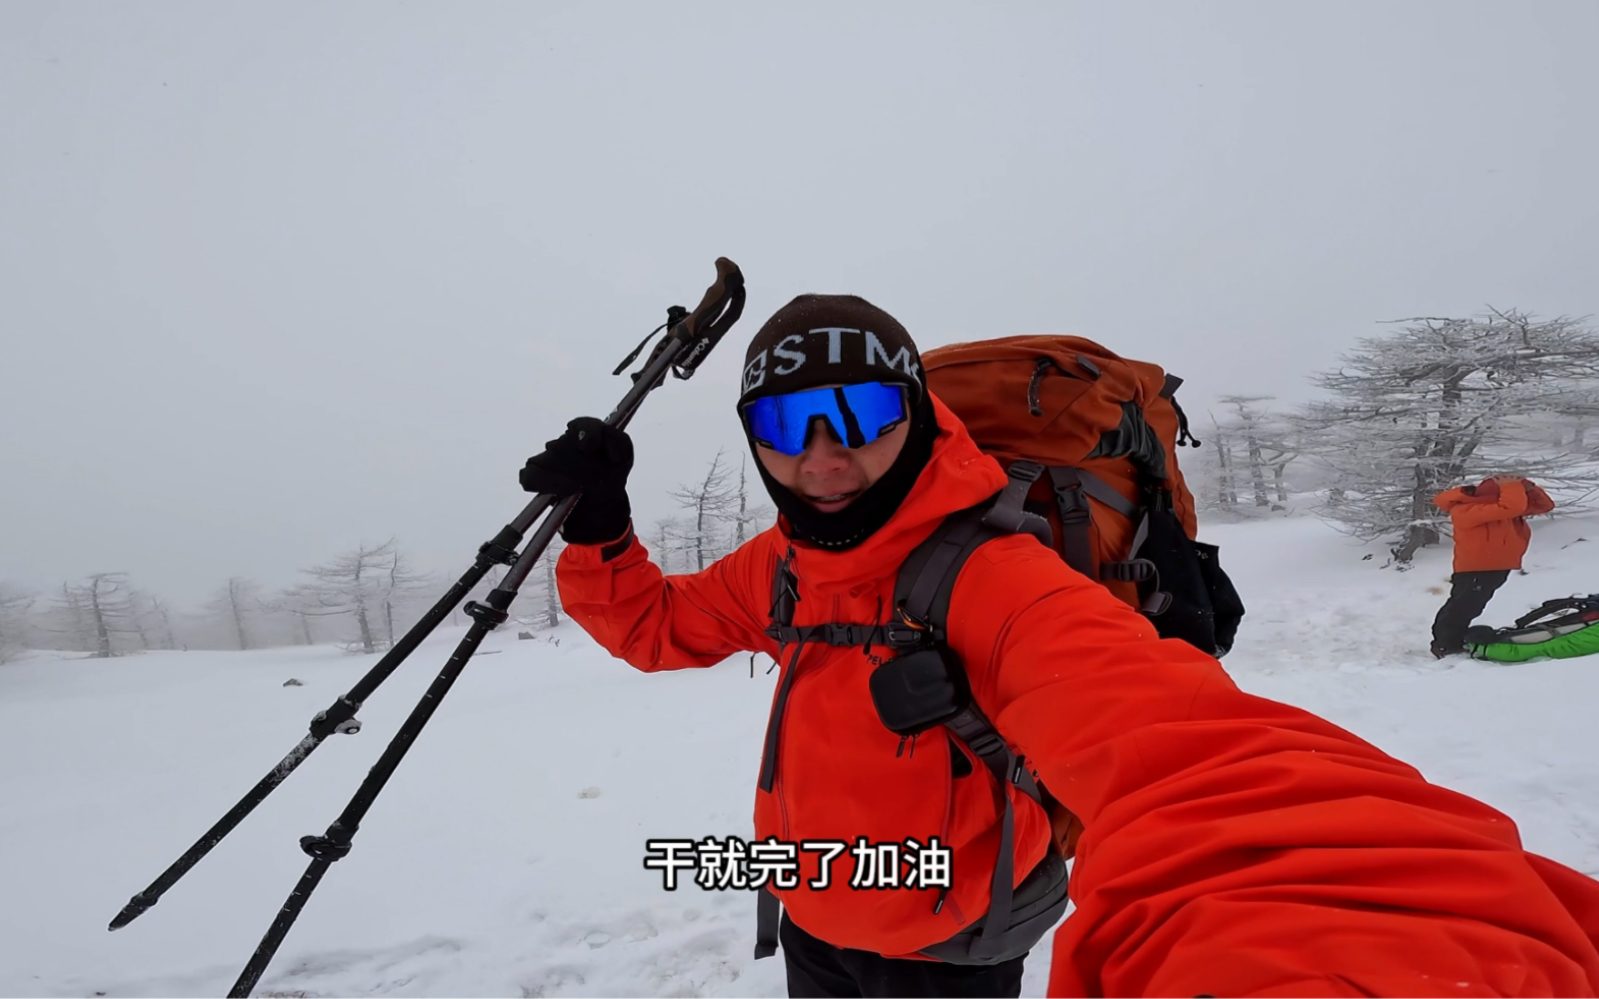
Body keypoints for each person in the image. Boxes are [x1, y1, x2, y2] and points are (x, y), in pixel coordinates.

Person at [521, 295, 1599, 998]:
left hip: (949, 943)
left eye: (858, 412)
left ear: (916, 414)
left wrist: (1372, 947)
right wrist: (598, 528)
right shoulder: (787, 565)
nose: (826, 456)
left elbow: (1195, 761)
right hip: (813, 906)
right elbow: (656, 628)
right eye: (787, 425)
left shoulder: (999, 577)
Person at [1431, 474, 1557, 658]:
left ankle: (1451, 641)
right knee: (1463, 607)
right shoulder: (1466, 510)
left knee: (1469, 606)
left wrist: (1530, 488)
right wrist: (1512, 486)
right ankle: (1445, 645)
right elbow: (1513, 506)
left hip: (1495, 566)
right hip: (1477, 568)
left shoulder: (1500, 509)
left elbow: (1545, 506)